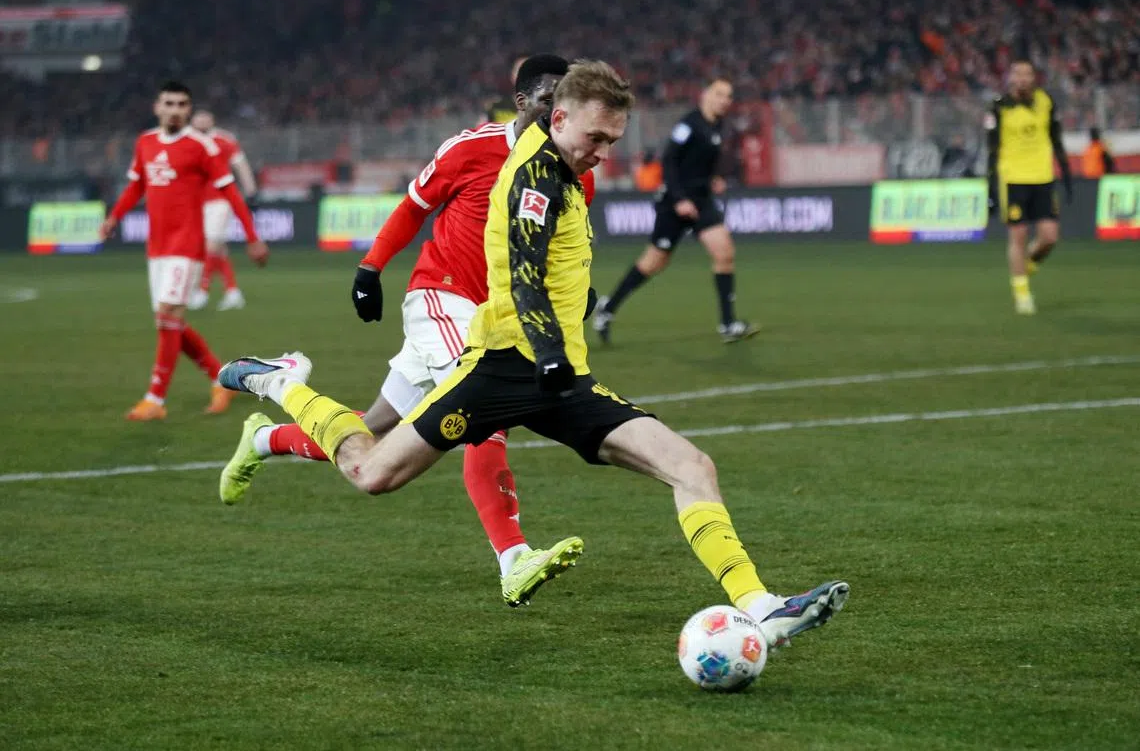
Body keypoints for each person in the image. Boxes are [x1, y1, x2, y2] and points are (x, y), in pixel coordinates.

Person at [216, 60, 848, 648]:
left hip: (562, 378)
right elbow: (521, 272)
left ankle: (761, 606)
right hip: (500, 369)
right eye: (596, 138)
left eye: (613, 141)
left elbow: (552, 262)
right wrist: (547, 349)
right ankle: (281, 384)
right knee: (371, 472)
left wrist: (573, 313)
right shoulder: (534, 177)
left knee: (691, 465)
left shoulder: (572, 174)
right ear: (558, 118)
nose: (603, 153)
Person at [219, 55, 594, 608]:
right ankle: (514, 558)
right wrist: (370, 269)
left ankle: (265, 436)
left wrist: (580, 293)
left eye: (565, 105)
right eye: (547, 101)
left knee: (372, 434)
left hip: (494, 316)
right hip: (444, 296)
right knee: (486, 415)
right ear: (521, 103)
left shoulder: (576, 171)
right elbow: (414, 207)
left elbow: (560, 248)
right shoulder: (470, 149)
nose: (556, 114)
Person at [99, 80, 267, 421]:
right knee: (169, 322)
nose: (175, 110)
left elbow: (230, 192)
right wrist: (114, 217)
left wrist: (252, 236)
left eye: (181, 104)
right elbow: (136, 186)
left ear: (189, 110)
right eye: (169, 103)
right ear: (157, 107)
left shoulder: (202, 146)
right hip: (157, 247)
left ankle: (155, 399)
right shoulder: (145, 142)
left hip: (187, 245)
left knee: (167, 316)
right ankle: (221, 379)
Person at [592, 77, 758, 345]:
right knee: (654, 262)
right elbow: (669, 161)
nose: (725, 100)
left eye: (728, 96)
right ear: (705, 95)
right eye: (719, 94)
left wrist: (712, 179)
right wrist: (680, 199)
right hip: (675, 202)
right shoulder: (688, 125)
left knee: (724, 252)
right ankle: (608, 307)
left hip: (701, 201)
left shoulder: (717, 126)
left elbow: (698, 164)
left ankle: (728, 324)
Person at [985, 59, 1072, 316]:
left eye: (1027, 74)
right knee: (1019, 236)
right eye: (1017, 74)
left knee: (1049, 237)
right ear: (1010, 78)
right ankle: (1022, 294)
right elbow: (992, 149)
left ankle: (1026, 267)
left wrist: (1066, 173)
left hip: (1043, 177)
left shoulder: (1046, 102)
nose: (1022, 78)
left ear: (1034, 78)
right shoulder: (999, 107)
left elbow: (1056, 139)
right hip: (1013, 178)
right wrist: (990, 186)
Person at [187, 110, 259, 311]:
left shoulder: (224, 139)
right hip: (196, 202)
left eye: (206, 118)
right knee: (218, 249)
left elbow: (241, 165)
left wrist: (251, 192)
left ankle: (202, 291)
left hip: (220, 200)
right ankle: (233, 292)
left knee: (211, 245)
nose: (202, 121)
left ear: (212, 120)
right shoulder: (187, 140)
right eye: (199, 118)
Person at [485, 56, 528, 124]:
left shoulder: (544, 110)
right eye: (520, 71)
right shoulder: (496, 109)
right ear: (512, 75)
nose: (524, 75)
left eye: (529, 70)